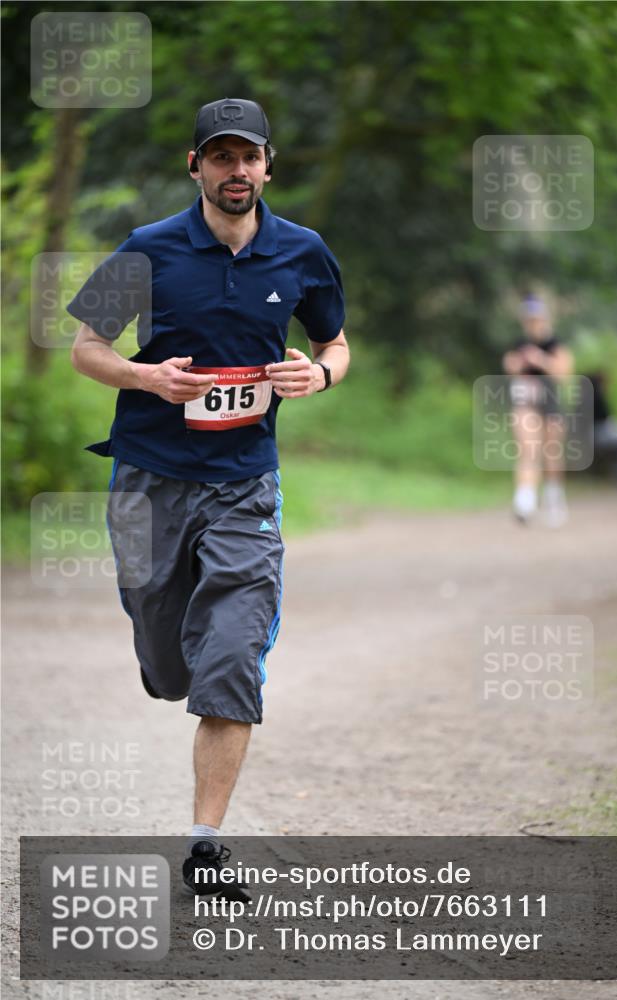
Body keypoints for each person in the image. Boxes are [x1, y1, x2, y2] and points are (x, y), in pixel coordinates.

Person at [68, 98, 350, 896]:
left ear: (268, 166)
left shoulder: (302, 251)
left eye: (248, 157)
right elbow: (87, 350)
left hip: (244, 485)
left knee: (231, 653)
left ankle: (203, 846)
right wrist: (145, 377)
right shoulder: (148, 250)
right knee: (166, 661)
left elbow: (334, 341)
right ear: (196, 166)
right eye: (220, 157)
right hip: (150, 481)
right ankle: (165, 662)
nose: (236, 171)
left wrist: (318, 373)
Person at [501, 295, 574, 527]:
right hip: (526, 402)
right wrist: (519, 362)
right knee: (528, 449)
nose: (533, 323)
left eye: (536, 319)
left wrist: (541, 360)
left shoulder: (556, 345)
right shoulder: (517, 346)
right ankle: (525, 498)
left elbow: (564, 374)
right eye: (529, 319)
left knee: (552, 453)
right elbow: (509, 367)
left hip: (551, 403)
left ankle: (553, 497)